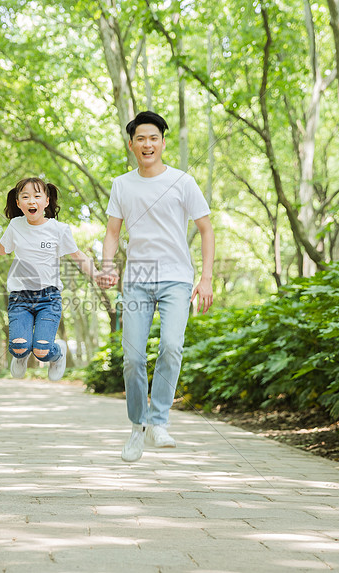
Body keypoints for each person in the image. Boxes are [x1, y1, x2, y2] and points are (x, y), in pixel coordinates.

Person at [99, 111, 215, 463]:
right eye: (141, 139)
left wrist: (206, 277)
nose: (147, 144)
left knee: (171, 345)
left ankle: (159, 422)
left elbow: (206, 229)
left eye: (154, 138)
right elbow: (112, 232)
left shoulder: (183, 182)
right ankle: (138, 427)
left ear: (163, 143)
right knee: (133, 358)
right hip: (136, 280)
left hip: (177, 277)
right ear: (132, 144)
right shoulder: (122, 184)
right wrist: (107, 266)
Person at [0, 177, 99, 381]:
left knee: (42, 350)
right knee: (20, 347)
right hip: (20, 298)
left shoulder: (59, 229)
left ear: (46, 201)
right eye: (25, 197)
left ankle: (59, 352)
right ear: (18, 203)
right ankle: (20, 355)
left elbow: (78, 255)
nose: (32, 201)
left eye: (37, 196)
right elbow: (2, 249)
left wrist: (98, 274)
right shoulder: (15, 225)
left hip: (49, 299)